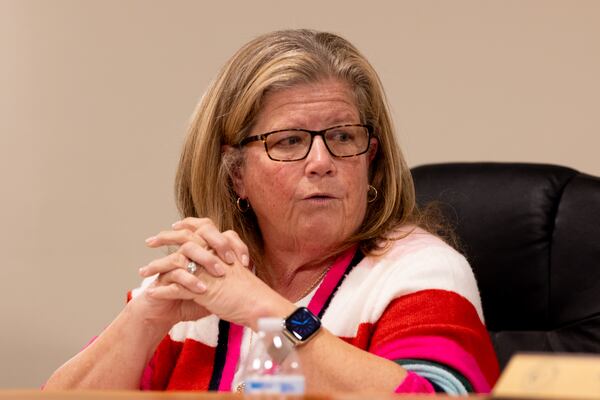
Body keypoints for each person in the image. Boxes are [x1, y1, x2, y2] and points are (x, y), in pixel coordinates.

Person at [45, 29, 499, 394]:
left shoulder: (419, 272)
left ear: (370, 161)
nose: (321, 162)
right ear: (236, 174)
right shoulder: (202, 273)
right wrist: (146, 317)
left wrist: (266, 311)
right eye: (289, 142)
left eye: (342, 137)